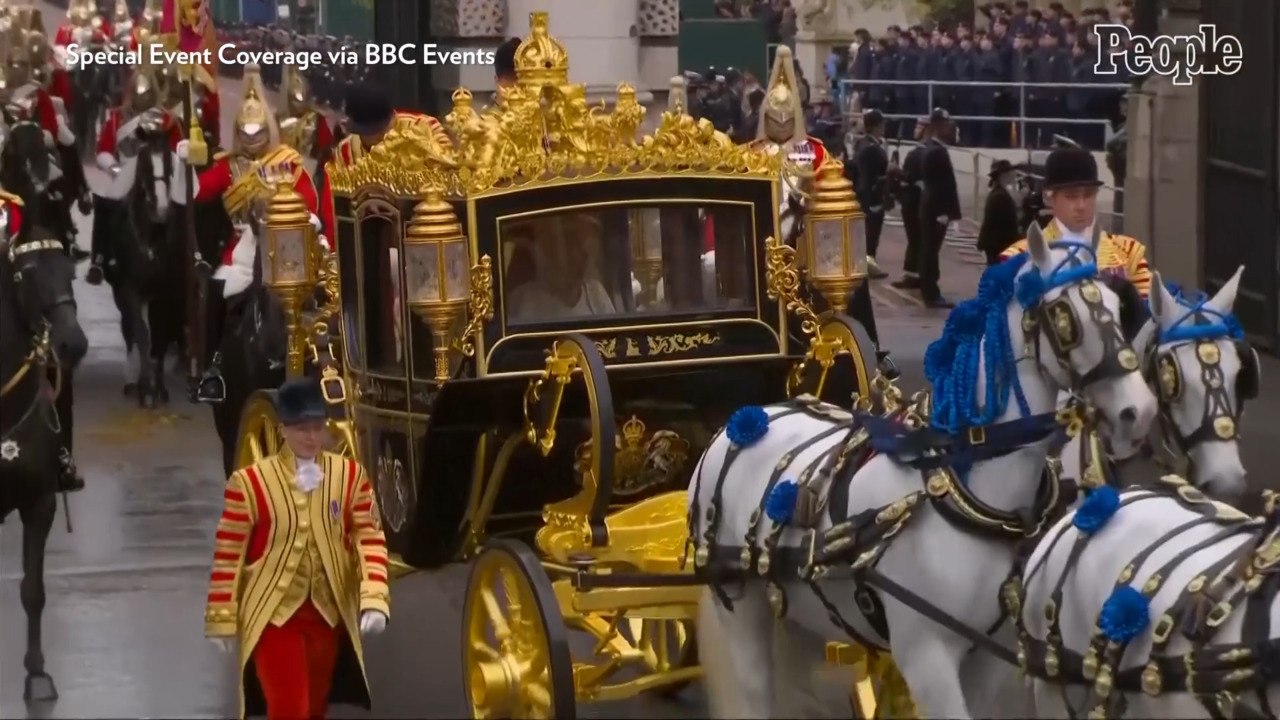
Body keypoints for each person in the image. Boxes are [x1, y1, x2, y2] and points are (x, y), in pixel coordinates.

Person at [204, 377, 389, 720]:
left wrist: (374, 596)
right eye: (301, 428)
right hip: (274, 615)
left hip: (328, 614)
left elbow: (369, 536)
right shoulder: (249, 483)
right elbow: (229, 553)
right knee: (290, 709)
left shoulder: (349, 476)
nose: (310, 437)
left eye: (317, 428)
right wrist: (222, 617)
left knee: (315, 708)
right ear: (283, 429)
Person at [174, 65, 323, 403]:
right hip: (243, 247)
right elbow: (192, 196)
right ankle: (213, 367)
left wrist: (306, 225)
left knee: (321, 295)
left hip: (288, 243)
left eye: (258, 131)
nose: (252, 138)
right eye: (246, 131)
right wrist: (184, 162)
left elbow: (310, 204)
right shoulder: (229, 167)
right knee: (216, 292)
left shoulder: (287, 162)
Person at [999, 146, 1150, 296]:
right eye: (1071, 196)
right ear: (1048, 198)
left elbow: (1149, 316)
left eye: (1089, 195)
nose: (1081, 206)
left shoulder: (1128, 252)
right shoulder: (1016, 258)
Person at [320, 84, 452, 239]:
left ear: (393, 117)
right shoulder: (345, 151)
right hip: (370, 237)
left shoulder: (426, 129)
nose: (376, 138)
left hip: (425, 228)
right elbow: (335, 209)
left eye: (380, 130)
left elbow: (450, 179)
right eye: (367, 132)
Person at [918, 108, 959, 308]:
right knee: (930, 251)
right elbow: (940, 185)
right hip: (935, 210)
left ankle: (929, 289)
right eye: (945, 125)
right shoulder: (936, 152)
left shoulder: (933, 149)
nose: (949, 129)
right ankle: (930, 292)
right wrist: (943, 212)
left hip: (932, 208)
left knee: (930, 249)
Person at [889, 116, 927, 291]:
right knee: (915, 238)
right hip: (914, 200)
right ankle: (914, 272)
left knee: (916, 238)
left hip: (914, 201)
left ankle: (915, 274)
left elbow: (910, 177)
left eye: (920, 126)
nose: (916, 129)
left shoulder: (919, 153)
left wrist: (896, 171)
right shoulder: (920, 152)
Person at [853, 108, 889, 279]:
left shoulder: (865, 144)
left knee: (870, 232)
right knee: (871, 233)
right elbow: (873, 174)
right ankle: (868, 264)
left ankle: (867, 263)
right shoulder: (871, 148)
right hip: (872, 195)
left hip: (868, 193)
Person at [976, 159, 1021, 264]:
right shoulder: (1000, 197)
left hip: (997, 243)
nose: (1014, 175)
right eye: (1010, 173)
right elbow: (1005, 224)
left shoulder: (1000, 194)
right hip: (997, 245)